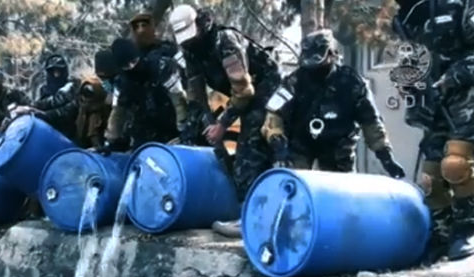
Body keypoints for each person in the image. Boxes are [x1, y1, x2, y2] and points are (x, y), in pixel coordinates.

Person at [168, 5, 281, 238]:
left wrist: (222, 123)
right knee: (216, 147)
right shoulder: (191, 50)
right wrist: (195, 125)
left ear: (200, 25)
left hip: (265, 90)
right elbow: (195, 93)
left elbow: (244, 91)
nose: (189, 42)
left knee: (249, 154)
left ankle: (250, 219)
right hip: (243, 95)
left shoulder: (224, 41)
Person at [392, 0, 474, 261]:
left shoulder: (464, 5)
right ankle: (441, 235)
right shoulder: (408, 14)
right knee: (430, 179)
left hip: (470, 93)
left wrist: (452, 77)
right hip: (434, 101)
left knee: (455, 163)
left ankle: (467, 229)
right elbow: (413, 56)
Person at [260, 29, 405, 179]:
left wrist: (386, 157)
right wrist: (277, 142)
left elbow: (371, 121)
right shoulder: (294, 81)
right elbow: (274, 114)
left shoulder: (352, 83)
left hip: (339, 146)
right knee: (295, 183)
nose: (314, 70)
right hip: (300, 143)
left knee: (341, 190)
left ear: (333, 54)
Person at [101, 38, 188, 153]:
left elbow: (179, 99)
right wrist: (111, 140)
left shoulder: (161, 67)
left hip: (171, 119)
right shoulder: (122, 83)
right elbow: (117, 113)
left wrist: (184, 129)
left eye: (134, 61)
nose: (132, 67)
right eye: (126, 66)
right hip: (146, 127)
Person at [31, 54, 80, 136]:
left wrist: (46, 114)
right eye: (53, 71)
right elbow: (39, 104)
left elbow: (67, 107)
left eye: (59, 71)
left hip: (66, 129)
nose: (56, 74)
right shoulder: (44, 88)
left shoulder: (71, 85)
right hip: (47, 129)